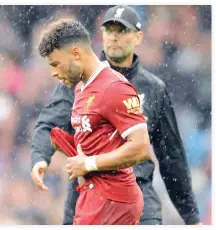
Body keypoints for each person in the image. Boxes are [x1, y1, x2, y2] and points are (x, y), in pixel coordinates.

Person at [31, 5, 200, 225]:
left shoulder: (153, 88)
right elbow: (48, 125)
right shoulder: (75, 81)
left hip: (136, 199)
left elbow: (171, 156)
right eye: (109, 31)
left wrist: (191, 216)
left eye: (122, 31)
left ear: (138, 37)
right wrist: (39, 158)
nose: (113, 38)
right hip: (87, 196)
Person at [33, 18, 151, 225]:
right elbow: (97, 140)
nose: (53, 72)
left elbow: (141, 148)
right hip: (94, 196)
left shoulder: (114, 87)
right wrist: (61, 147)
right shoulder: (80, 87)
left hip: (113, 200)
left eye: (56, 64)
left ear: (76, 54)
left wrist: (87, 164)